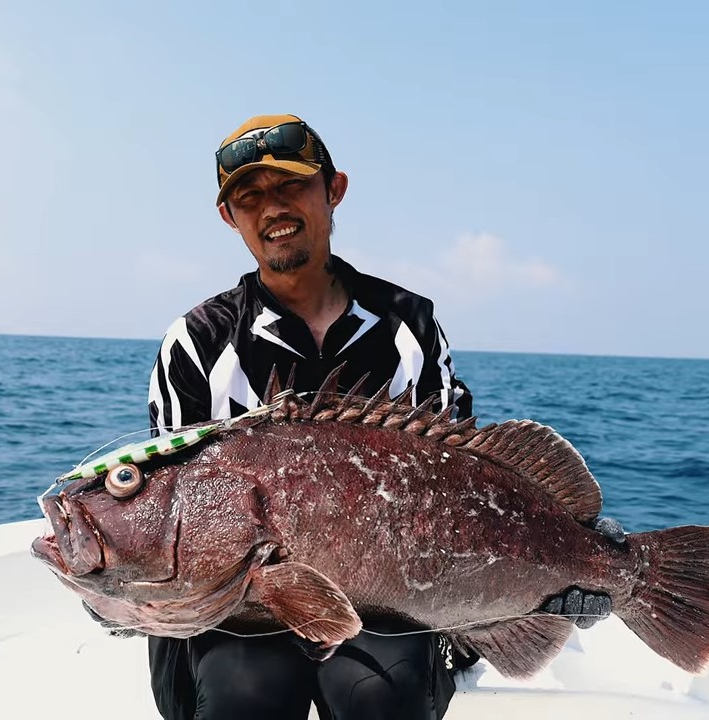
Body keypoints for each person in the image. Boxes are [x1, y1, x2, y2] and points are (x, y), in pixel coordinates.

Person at [141, 114, 613, 720]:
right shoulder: (199, 341)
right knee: (246, 695)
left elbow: (461, 481)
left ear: (333, 189)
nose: (272, 210)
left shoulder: (409, 325)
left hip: (391, 602)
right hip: (235, 606)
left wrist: (572, 553)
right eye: (249, 197)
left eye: (290, 187)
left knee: (376, 693)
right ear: (229, 217)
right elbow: (175, 503)